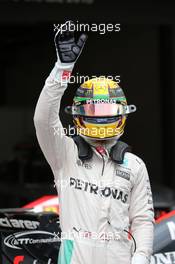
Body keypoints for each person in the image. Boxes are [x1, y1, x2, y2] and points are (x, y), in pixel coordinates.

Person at [34, 21, 154, 264]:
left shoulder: (135, 165)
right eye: (93, 110)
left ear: (122, 113)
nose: (100, 116)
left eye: (108, 109)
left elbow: (142, 219)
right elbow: (42, 119)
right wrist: (62, 68)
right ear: (78, 113)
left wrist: (141, 257)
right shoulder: (64, 154)